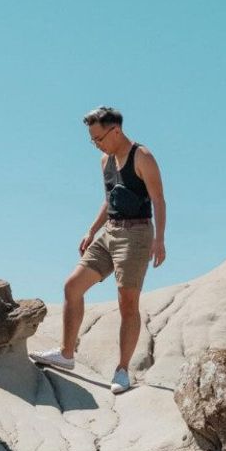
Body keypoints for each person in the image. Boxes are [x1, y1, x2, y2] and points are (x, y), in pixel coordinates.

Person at [30, 107, 167, 394]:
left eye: (98, 138)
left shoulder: (142, 157)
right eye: (92, 140)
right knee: (72, 286)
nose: (96, 144)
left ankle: (122, 371)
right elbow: (110, 199)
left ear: (115, 131)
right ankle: (66, 354)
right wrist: (91, 230)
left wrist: (159, 239)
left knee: (127, 303)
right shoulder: (105, 160)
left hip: (137, 234)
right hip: (110, 233)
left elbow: (158, 199)